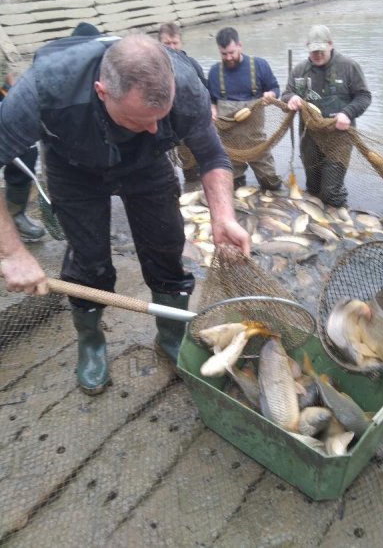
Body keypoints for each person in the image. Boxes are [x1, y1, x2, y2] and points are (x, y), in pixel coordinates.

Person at [0, 33, 250, 396]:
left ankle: (170, 338)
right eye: (140, 119)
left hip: (147, 163)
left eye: (159, 118)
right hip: (74, 166)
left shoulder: (186, 87)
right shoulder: (45, 89)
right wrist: (12, 253)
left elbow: (212, 156)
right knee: (90, 263)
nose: (153, 127)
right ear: (103, 92)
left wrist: (224, 216)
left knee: (166, 247)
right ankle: (91, 343)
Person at [281, 25, 371, 220]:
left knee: (331, 190)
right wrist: (291, 99)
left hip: (339, 138)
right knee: (313, 187)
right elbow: (285, 94)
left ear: (331, 45)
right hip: (309, 137)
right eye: (313, 51)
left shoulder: (348, 66)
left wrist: (348, 113)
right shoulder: (299, 70)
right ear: (307, 48)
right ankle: (317, 228)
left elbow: (364, 97)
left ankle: (340, 223)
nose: (318, 55)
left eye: (321, 50)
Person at [207, 27, 282, 191]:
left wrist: (271, 94)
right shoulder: (214, 73)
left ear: (240, 45)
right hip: (229, 147)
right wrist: (212, 108)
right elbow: (211, 100)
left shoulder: (260, 66)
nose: (229, 57)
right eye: (224, 54)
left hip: (257, 144)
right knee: (231, 188)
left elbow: (276, 89)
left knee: (272, 185)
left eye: (232, 52)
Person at [158, 22, 207, 184]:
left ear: (181, 42)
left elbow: (205, 92)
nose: (172, 47)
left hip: (192, 126)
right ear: (159, 43)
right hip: (165, 128)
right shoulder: (154, 67)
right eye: (167, 43)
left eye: (175, 43)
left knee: (199, 162)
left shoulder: (191, 64)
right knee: (170, 167)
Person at [1, 69, 46, 241]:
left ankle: (15, 217)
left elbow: (10, 70)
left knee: (25, 149)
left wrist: (13, 86)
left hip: (5, 95)